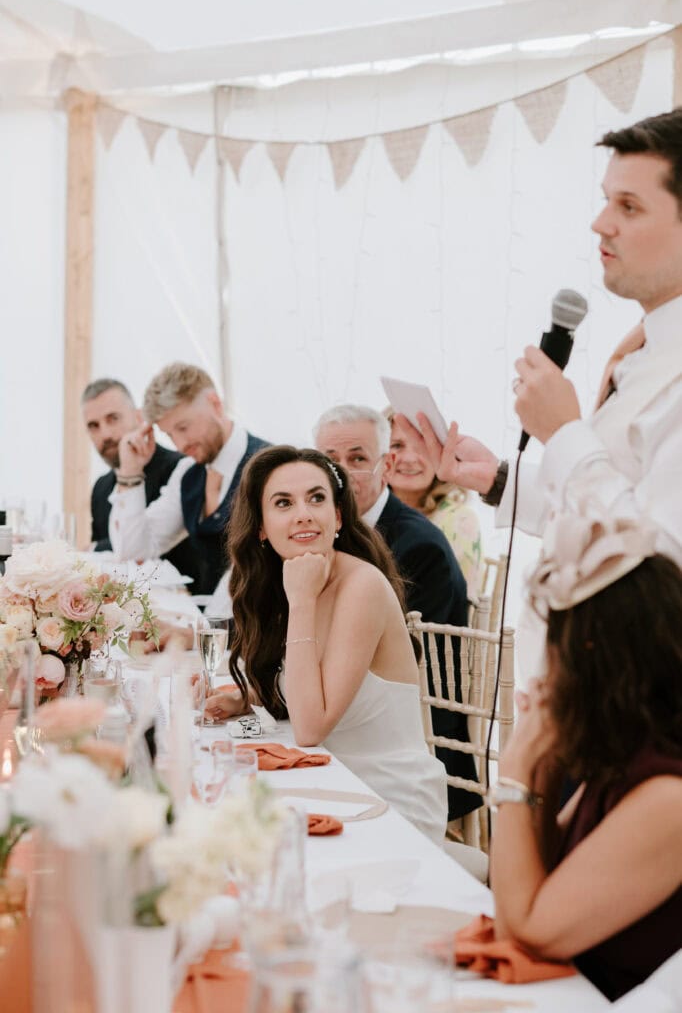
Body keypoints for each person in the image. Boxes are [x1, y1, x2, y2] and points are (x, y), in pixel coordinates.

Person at [394, 107, 682, 680]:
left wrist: (565, 432)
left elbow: (659, 559)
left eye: (629, 206)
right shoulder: (646, 350)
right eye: (605, 200)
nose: (601, 224)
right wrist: (497, 480)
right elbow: (601, 505)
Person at [206, 445, 447, 844]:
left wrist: (300, 602)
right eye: (283, 502)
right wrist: (246, 697)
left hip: (388, 801)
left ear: (336, 516)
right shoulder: (298, 574)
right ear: (262, 527)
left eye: (316, 498)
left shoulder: (360, 586)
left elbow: (310, 728)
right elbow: (311, 687)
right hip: (329, 780)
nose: (303, 512)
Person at [489, 510, 682, 1002]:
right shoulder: (627, 747)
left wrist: (513, 771)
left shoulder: (667, 796)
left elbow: (526, 927)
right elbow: (534, 874)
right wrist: (543, 769)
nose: (547, 667)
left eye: (557, 646)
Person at [313, 404, 479, 822]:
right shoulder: (324, 529)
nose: (340, 473)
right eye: (329, 461)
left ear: (385, 465)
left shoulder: (417, 545)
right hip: (346, 708)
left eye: (357, 459)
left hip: (413, 738)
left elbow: (403, 667)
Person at [108, 363, 269, 595]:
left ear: (215, 404)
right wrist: (130, 475)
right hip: (207, 624)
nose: (180, 445)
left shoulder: (268, 467)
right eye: (170, 434)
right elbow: (135, 552)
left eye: (183, 427)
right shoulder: (187, 473)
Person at [81, 378, 199, 583]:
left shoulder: (182, 470)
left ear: (139, 417)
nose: (105, 434)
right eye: (94, 426)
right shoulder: (100, 488)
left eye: (113, 418)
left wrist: (95, 547)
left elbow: (135, 551)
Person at [385, 408, 483, 602]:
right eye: (396, 445)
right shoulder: (366, 513)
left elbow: (456, 606)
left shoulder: (459, 520)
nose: (409, 459)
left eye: (420, 447)